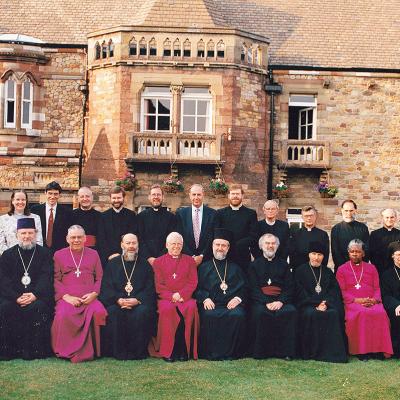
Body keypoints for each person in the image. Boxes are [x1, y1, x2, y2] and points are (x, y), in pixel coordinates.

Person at [51, 225, 107, 363]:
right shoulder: (59, 254)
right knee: (63, 314)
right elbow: (55, 279)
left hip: (89, 297)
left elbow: (100, 277)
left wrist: (94, 294)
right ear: (67, 239)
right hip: (67, 297)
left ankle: (96, 351)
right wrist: (66, 297)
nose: (76, 240)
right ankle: (66, 350)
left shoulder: (93, 254)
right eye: (73, 237)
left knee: (98, 312)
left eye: (79, 237)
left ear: (85, 238)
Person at [0, 218, 53, 360]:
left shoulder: (45, 254)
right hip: (14, 297)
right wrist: (16, 297)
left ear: (35, 234)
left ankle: (33, 351)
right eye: (23, 233)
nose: (27, 236)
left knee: (37, 307)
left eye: (30, 233)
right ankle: (8, 352)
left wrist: (35, 295)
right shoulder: (7, 255)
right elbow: (3, 280)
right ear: (17, 234)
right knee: (4, 307)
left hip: (37, 296)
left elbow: (46, 277)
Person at [100, 233, 156, 360]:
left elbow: (150, 288)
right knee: (113, 312)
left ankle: (137, 353)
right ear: (122, 245)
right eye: (128, 243)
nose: (131, 246)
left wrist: (137, 300)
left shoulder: (145, 265)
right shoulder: (113, 264)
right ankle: (118, 353)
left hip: (138, 302)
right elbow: (106, 287)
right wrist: (118, 299)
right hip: (117, 303)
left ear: (138, 245)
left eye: (134, 243)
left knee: (142, 313)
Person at [336, 239, 393, 360]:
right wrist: (358, 300)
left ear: (363, 253)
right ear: (348, 252)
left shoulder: (372, 268)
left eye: (358, 251)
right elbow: (342, 291)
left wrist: (374, 300)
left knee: (380, 313)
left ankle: (378, 350)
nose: (355, 254)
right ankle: (361, 351)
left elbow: (377, 288)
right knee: (361, 313)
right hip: (352, 303)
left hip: (372, 301)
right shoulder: (341, 269)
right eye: (352, 251)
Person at [195, 229, 247, 360]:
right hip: (212, 304)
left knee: (238, 314)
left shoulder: (236, 268)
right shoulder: (203, 268)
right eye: (217, 245)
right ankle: (211, 354)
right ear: (212, 246)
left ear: (228, 248)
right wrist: (205, 299)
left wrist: (237, 298)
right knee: (208, 315)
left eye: (223, 245)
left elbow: (245, 288)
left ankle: (232, 354)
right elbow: (196, 288)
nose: (220, 248)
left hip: (231, 306)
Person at [149, 232, 199, 361]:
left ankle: (184, 351)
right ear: (166, 245)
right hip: (167, 298)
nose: (176, 246)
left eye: (179, 244)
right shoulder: (158, 262)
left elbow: (193, 281)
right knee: (167, 310)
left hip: (185, 297)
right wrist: (171, 296)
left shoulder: (190, 261)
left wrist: (182, 294)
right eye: (173, 244)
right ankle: (168, 352)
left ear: (182, 245)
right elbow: (158, 285)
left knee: (190, 307)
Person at [294, 241, 347, 363]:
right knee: (310, 313)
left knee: (333, 313)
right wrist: (315, 304)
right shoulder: (300, 271)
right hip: (307, 305)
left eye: (319, 255)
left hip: (325, 304)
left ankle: (331, 354)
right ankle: (311, 353)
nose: (316, 258)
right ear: (309, 255)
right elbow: (299, 292)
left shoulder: (328, 272)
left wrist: (325, 303)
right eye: (313, 254)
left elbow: (334, 292)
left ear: (323, 256)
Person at [248, 233, 297, 360]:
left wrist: (280, 301)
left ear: (277, 246)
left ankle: (286, 353)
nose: (270, 246)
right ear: (261, 246)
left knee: (289, 312)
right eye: (267, 243)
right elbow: (253, 287)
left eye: (273, 243)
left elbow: (289, 287)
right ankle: (261, 352)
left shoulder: (284, 265)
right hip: (261, 301)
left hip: (281, 300)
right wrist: (265, 302)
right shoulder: (254, 265)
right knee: (261, 314)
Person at [214, 184, 257, 271]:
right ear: (229, 196)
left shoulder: (250, 214)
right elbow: (217, 234)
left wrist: (237, 244)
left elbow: (254, 236)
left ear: (242, 196)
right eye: (233, 194)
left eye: (237, 194)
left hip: (243, 256)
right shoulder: (220, 213)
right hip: (225, 255)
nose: (235, 196)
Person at [137, 184, 177, 266]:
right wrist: (148, 257)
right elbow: (139, 239)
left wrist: (160, 258)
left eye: (158, 194)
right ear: (149, 197)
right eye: (153, 194)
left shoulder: (171, 217)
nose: (156, 197)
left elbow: (171, 239)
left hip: (165, 260)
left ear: (163, 197)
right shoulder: (141, 216)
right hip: (145, 260)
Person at [176, 184, 216, 266]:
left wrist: (202, 256)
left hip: (206, 260)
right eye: (194, 194)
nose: (196, 197)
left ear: (203, 195)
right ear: (190, 195)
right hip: (186, 259)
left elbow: (212, 236)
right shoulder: (181, 214)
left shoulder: (213, 214)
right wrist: (192, 256)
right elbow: (179, 237)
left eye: (199, 194)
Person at [97, 186, 137, 266]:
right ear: (110, 199)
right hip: (108, 258)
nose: (116, 200)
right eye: (114, 198)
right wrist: (109, 255)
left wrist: (122, 254)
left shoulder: (131, 215)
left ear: (123, 198)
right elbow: (101, 239)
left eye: (119, 198)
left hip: (127, 257)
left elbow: (132, 235)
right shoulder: (103, 216)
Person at [31, 181, 72, 252]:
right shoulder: (35, 210)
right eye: (50, 193)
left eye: (56, 194)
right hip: (39, 250)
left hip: (59, 251)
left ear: (59, 195)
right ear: (45, 193)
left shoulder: (67, 212)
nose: (52, 197)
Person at [331, 199, 370, 273]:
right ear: (342, 210)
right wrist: (346, 268)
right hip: (342, 269)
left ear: (355, 210)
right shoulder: (336, 229)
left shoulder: (363, 228)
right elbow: (335, 252)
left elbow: (366, 249)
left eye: (351, 210)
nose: (348, 213)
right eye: (346, 210)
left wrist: (359, 266)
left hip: (360, 269)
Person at [0, 189, 43, 255]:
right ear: (12, 201)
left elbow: (39, 241)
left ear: (26, 201)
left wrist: (32, 256)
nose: (20, 202)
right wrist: (9, 256)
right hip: (10, 258)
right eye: (17, 199)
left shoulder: (35, 218)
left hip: (31, 257)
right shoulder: (3, 219)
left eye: (23, 200)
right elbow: (1, 243)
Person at [289, 206, 329, 271]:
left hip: (317, 271)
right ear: (302, 217)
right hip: (299, 271)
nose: (309, 218)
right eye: (306, 216)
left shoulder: (323, 235)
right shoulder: (295, 235)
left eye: (311, 215)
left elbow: (325, 256)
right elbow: (292, 256)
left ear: (315, 216)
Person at [381, 243, 400, 358]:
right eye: (398, 254)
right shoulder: (386, 275)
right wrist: (397, 305)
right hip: (395, 306)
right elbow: (385, 295)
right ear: (392, 256)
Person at [370, 209, 400, 276]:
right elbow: (372, 254)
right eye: (387, 217)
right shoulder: (375, 234)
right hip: (379, 271)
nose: (389, 219)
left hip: (397, 271)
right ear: (382, 218)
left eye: (392, 217)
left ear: (395, 218)